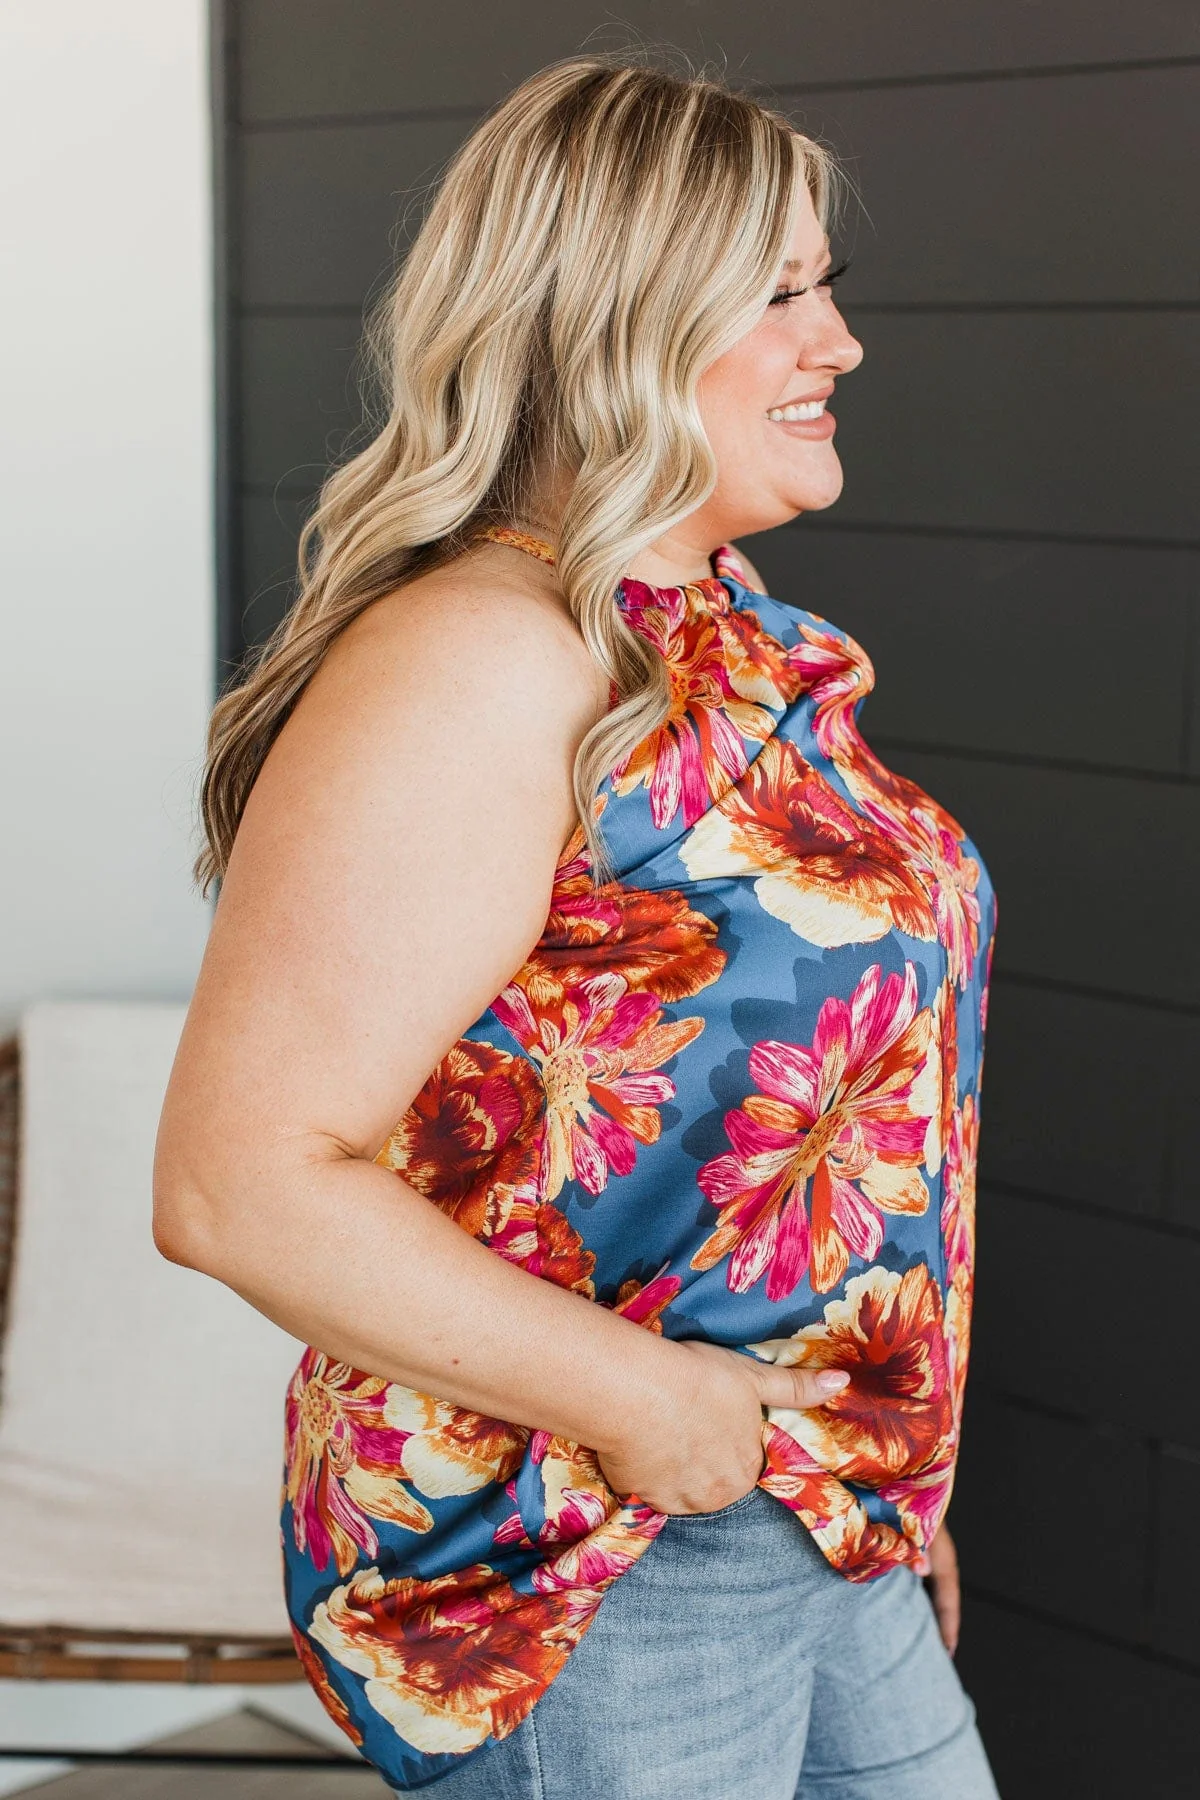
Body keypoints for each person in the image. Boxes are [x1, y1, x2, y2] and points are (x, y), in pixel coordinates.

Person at [153, 52, 1000, 1799]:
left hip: (820, 1521)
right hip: (599, 1560)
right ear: (612, 318)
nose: (835, 341)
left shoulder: (710, 627)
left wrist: (881, 1473)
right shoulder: (481, 661)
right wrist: (663, 1416)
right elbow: (239, 1183)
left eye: (826, 286)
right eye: (779, 293)